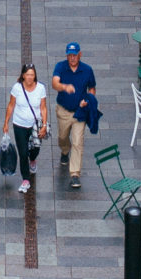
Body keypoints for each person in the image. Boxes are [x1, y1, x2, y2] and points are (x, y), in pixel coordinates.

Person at [50, 41, 99, 191]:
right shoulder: (60, 67)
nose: (72, 58)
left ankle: (75, 174)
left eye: (75, 55)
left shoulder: (87, 70)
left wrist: (88, 99)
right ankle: (65, 151)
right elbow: (54, 83)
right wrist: (64, 87)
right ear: (67, 55)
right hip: (63, 111)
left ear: (80, 55)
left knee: (78, 142)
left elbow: (92, 88)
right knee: (63, 137)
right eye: (70, 55)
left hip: (79, 112)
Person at [5, 65, 46, 195]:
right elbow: (11, 105)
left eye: (32, 75)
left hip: (35, 125)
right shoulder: (17, 88)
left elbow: (43, 108)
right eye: (27, 74)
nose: (29, 77)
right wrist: (6, 122)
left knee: (35, 149)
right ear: (23, 75)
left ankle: (33, 160)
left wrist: (44, 125)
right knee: (23, 153)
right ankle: (26, 179)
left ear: (35, 76)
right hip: (19, 124)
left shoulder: (40, 88)